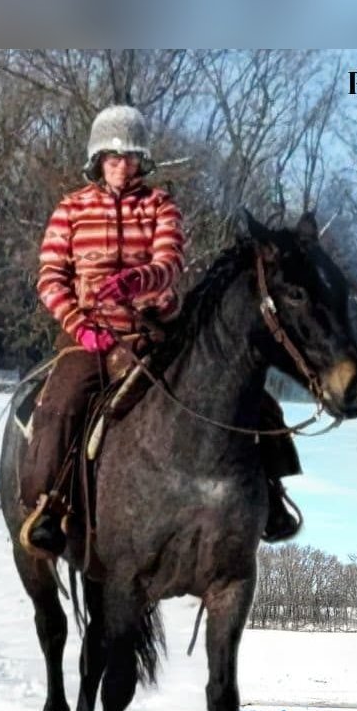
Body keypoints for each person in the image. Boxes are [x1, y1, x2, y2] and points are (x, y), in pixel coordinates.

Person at [19, 105, 302, 557]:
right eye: (112, 157)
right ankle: (49, 505)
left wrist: (139, 279)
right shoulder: (71, 210)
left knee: (246, 393)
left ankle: (272, 492)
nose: (121, 165)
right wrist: (79, 324)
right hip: (89, 334)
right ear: (97, 161)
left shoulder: (159, 205)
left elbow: (169, 262)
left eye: (129, 157)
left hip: (157, 329)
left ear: (141, 161)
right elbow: (50, 278)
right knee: (61, 404)